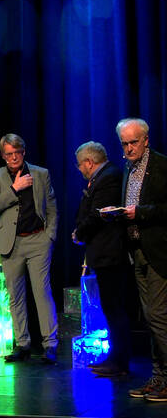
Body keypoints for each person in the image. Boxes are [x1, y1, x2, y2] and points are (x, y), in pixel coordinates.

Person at [0, 134, 59, 363]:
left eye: (17, 152)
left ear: (23, 152)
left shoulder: (40, 173)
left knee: (42, 293)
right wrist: (14, 188)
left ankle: (50, 344)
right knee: (15, 296)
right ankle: (23, 343)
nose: (13, 157)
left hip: (37, 240)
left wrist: (50, 236)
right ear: (3, 156)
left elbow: (52, 207)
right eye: (9, 154)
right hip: (11, 243)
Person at [71, 141, 133, 377]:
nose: (80, 170)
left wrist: (80, 233)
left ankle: (120, 361)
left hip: (111, 253)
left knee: (114, 307)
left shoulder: (109, 177)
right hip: (104, 253)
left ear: (89, 162)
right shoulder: (104, 176)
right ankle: (115, 358)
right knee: (110, 307)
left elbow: (98, 214)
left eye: (80, 165)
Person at [115, 118, 167, 401]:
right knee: (149, 318)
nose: (129, 148)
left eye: (134, 142)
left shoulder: (160, 166)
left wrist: (140, 213)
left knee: (158, 316)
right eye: (124, 143)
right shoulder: (128, 168)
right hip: (136, 250)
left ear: (146, 140)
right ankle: (159, 377)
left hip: (158, 250)